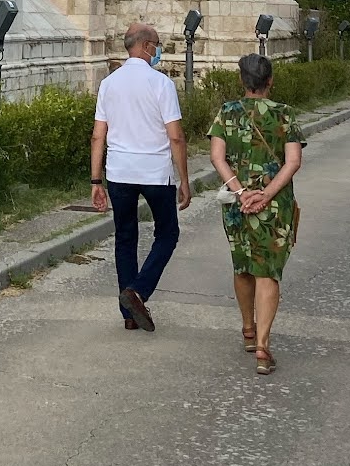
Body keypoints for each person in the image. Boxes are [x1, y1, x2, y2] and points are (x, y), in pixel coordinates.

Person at [208, 54, 306, 376]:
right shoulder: (285, 115)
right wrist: (266, 193)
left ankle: (248, 331)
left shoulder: (227, 112)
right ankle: (263, 347)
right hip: (274, 205)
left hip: (237, 205)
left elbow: (217, 158)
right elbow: (293, 162)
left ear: (242, 81)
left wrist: (240, 192)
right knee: (268, 272)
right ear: (270, 81)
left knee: (243, 265)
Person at [91, 22, 191, 332]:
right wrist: (183, 179)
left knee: (125, 237)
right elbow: (175, 137)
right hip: (154, 171)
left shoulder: (109, 83)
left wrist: (96, 181)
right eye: (157, 44)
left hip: (119, 171)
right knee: (167, 233)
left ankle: (129, 316)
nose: (158, 50)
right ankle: (138, 290)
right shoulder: (161, 84)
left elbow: (98, 136)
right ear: (146, 45)